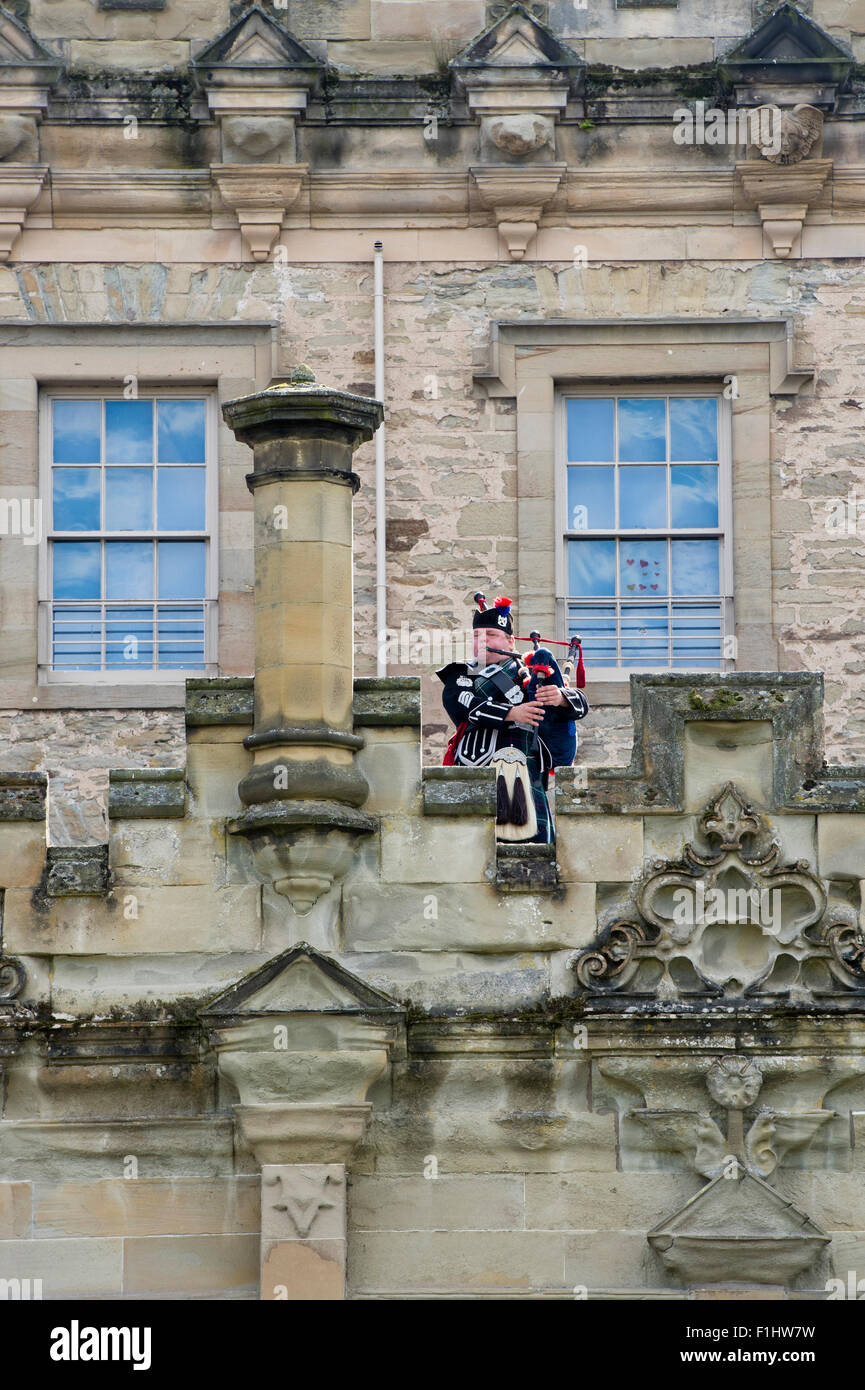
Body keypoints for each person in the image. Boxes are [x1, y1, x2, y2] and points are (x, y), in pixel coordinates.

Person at [436, 594, 589, 844]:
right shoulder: (462, 675)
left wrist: (560, 696)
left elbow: (580, 705)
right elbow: (463, 705)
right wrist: (512, 713)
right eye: (477, 636)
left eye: (491, 635)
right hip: (476, 774)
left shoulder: (532, 676)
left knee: (534, 863)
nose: (482, 641)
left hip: (526, 778)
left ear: (510, 642)